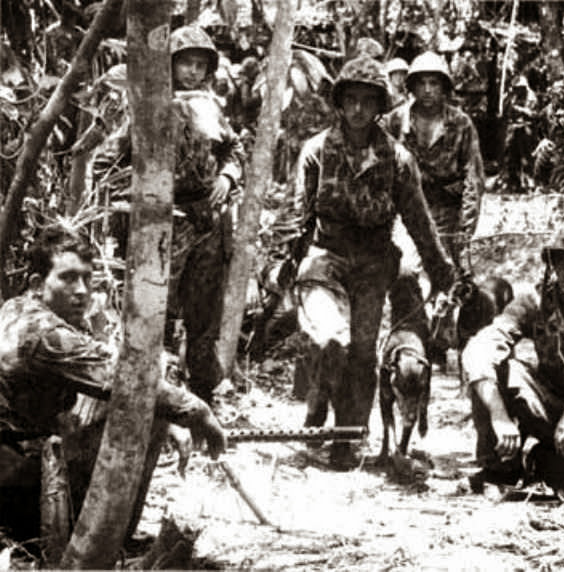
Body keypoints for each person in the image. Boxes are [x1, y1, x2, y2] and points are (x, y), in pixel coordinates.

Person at [278, 55, 459, 470]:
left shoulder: (397, 159)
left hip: (374, 264)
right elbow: (296, 217)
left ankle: (348, 437)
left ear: (380, 106)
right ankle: (317, 406)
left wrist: (444, 273)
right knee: (330, 341)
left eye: (368, 101)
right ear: (339, 103)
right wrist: (282, 265)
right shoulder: (317, 151)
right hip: (326, 259)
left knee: (362, 354)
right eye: (351, 100)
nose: (359, 109)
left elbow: (419, 222)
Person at [0, 224, 226, 541]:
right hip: (11, 488)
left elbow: (102, 376)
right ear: (37, 284)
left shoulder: (18, 309)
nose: (81, 290)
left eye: (86, 279)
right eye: (67, 278)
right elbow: (128, 382)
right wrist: (194, 410)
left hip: (16, 469)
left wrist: (168, 413)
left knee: (150, 400)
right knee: (146, 407)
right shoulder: (43, 334)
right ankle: (107, 542)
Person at [93, 25, 243, 403]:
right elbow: (107, 163)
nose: (192, 72)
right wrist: (139, 196)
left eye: (199, 64)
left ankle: (202, 400)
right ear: (170, 65)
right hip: (163, 223)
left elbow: (235, 149)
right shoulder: (151, 106)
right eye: (185, 63)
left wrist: (227, 174)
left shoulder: (211, 107)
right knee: (158, 315)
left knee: (203, 317)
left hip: (207, 220)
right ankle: (155, 400)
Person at [461, 215, 564, 492]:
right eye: (560, 262)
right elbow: (481, 346)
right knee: (500, 369)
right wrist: (499, 414)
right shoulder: (535, 300)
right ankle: (499, 469)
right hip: (548, 408)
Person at [384, 50, 484, 267]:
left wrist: (465, 230)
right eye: (421, 83)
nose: (428, 90)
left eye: (434, 83)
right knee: (406, 274)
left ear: (444, 88)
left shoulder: (461, 124)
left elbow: (474, 179)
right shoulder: (394, 122)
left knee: (452, 280)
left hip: (448, 214)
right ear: (412, 87)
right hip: (407, 213)